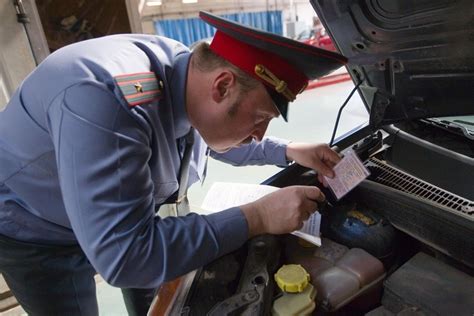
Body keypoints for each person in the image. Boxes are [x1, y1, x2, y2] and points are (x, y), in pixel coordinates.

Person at [0, 11, 347, 315]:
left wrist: (288, 150)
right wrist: (258, 216)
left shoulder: (187, 75)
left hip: (130, 214)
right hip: (38, 231)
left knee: (159, 296)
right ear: (222, 86)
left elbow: (212, 138)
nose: (259, 134)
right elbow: (126, 256)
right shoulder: (109, 96)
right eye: (259, 119)